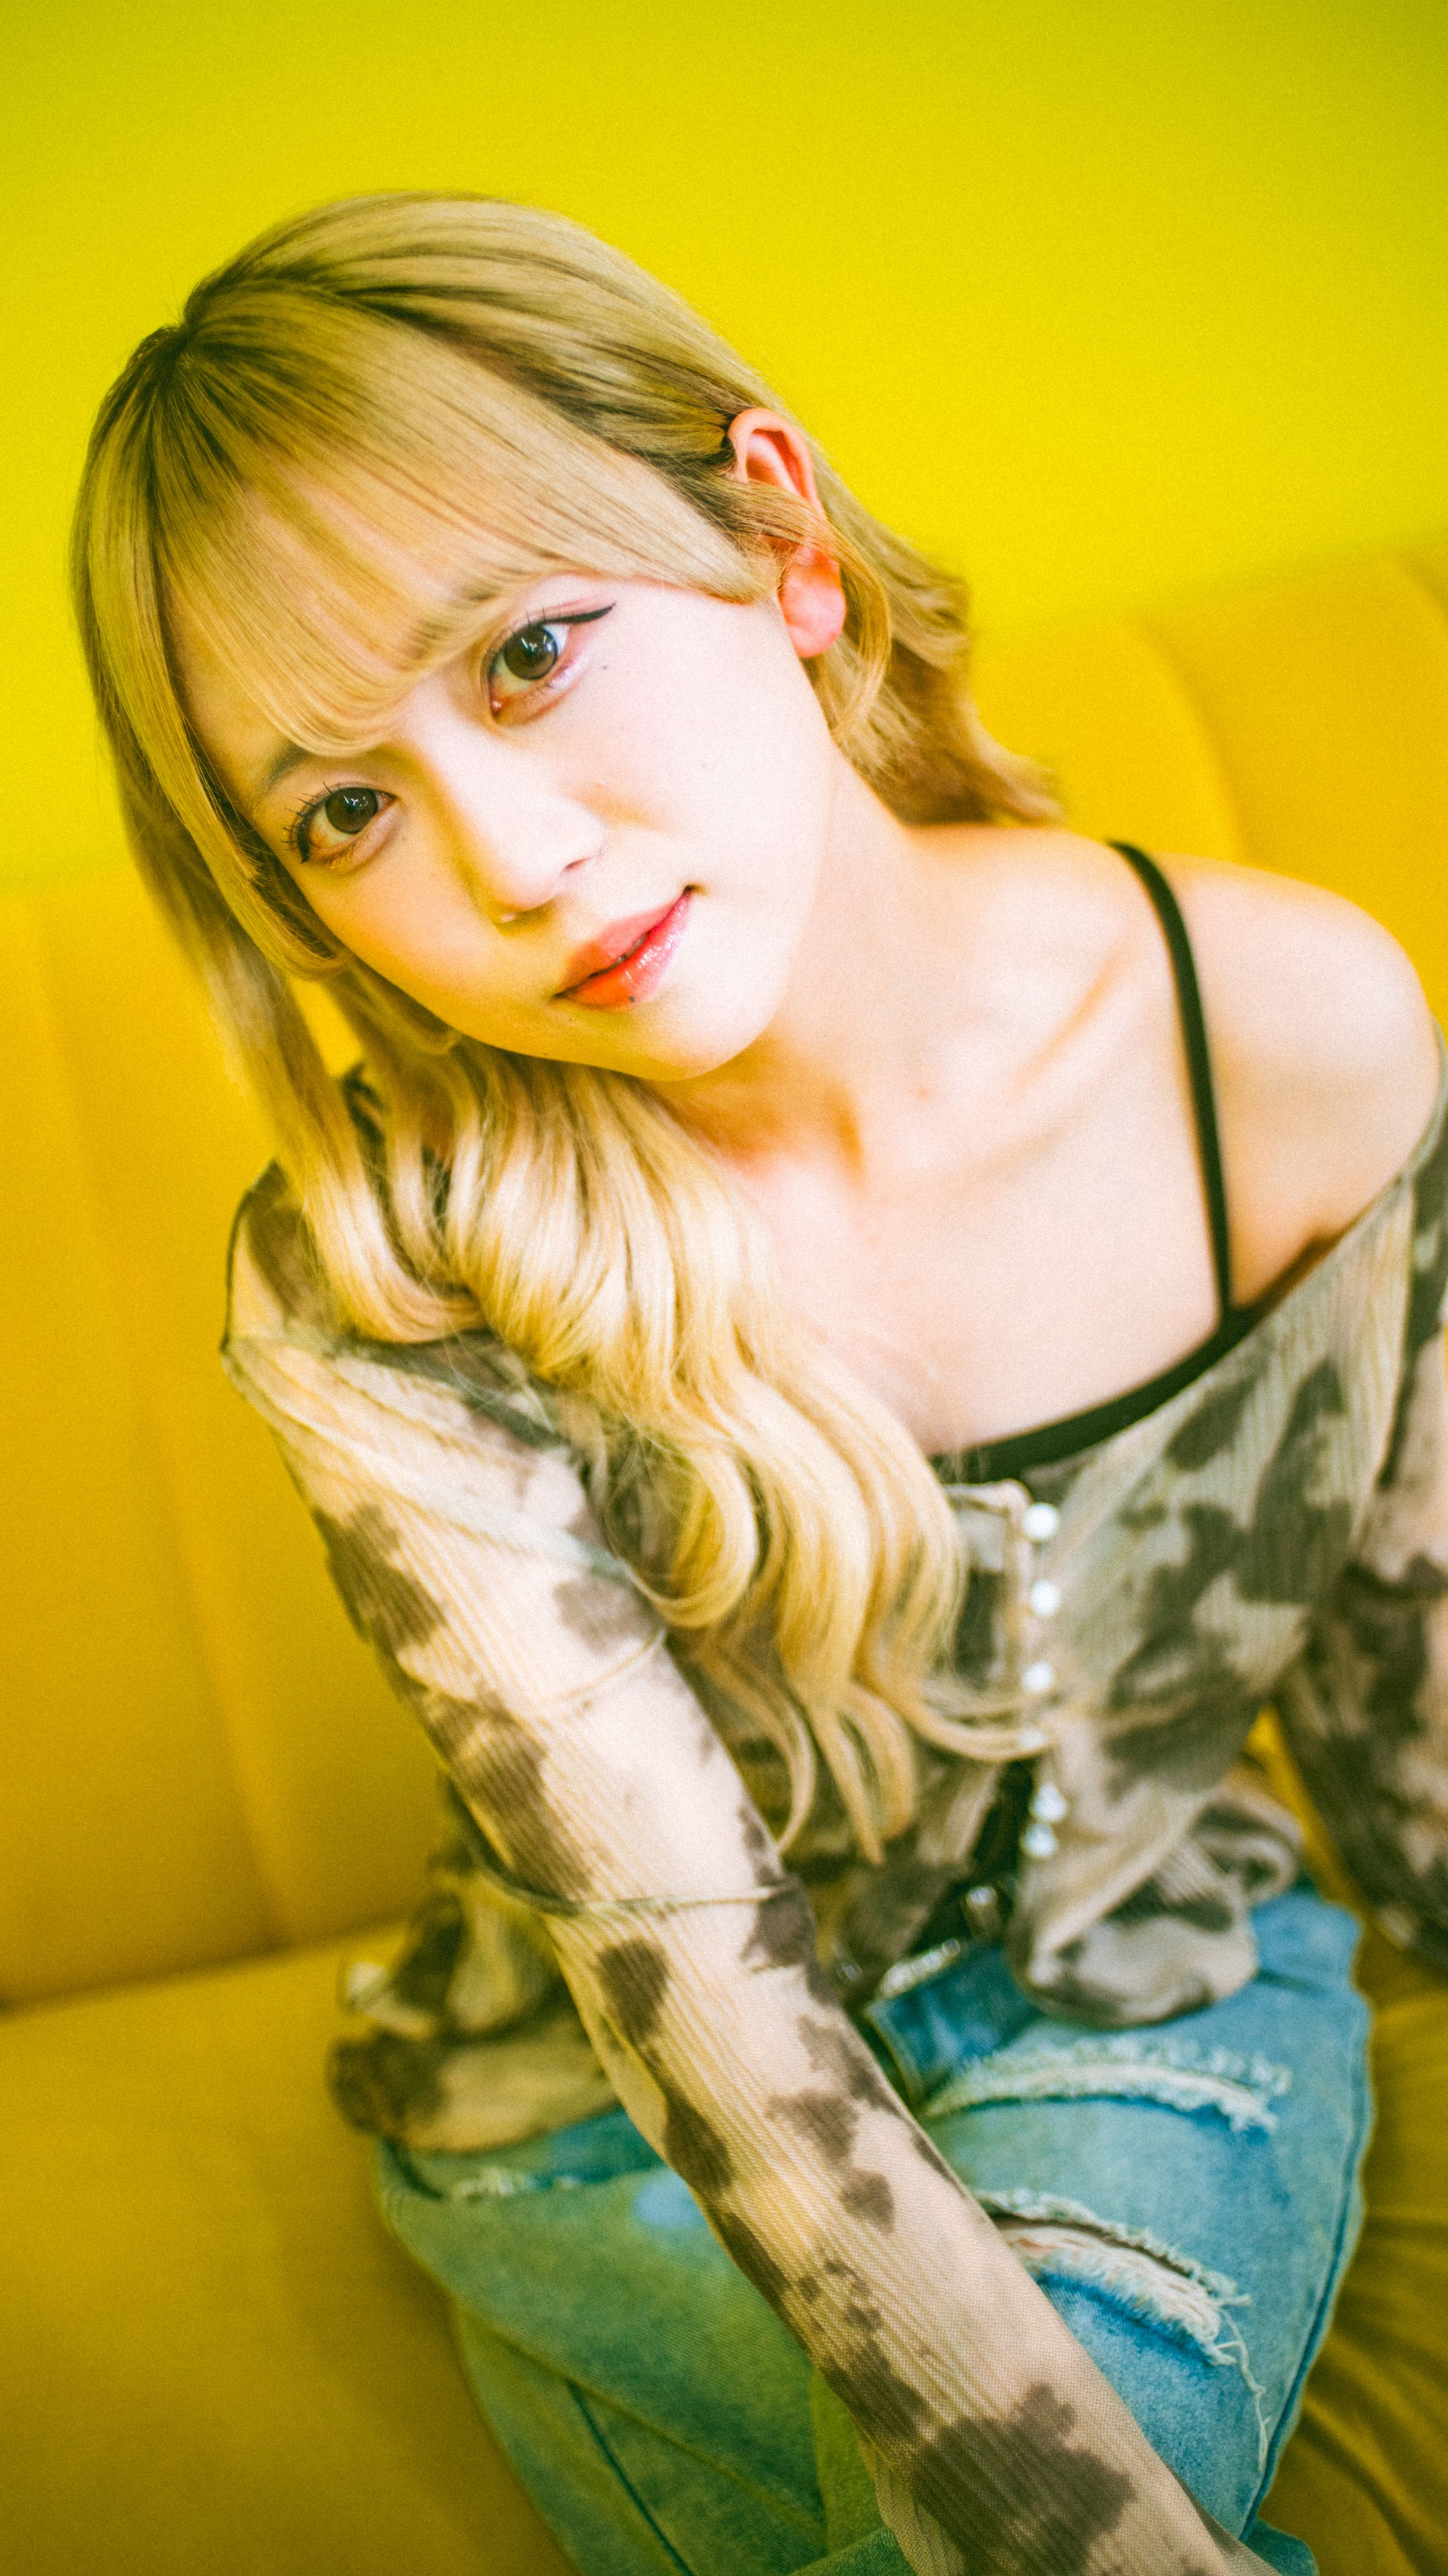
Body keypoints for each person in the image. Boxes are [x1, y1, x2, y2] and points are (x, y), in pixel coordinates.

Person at [70, 192, 1448, 2576]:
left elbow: (1401, 1747)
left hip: (1137, 1985)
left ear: (778, 538)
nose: (511, 861)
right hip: (594, 2117)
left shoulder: (1286, 1036)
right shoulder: (383, 1276)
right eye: (344, 809)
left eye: (527, 651)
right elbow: (696, 1989)